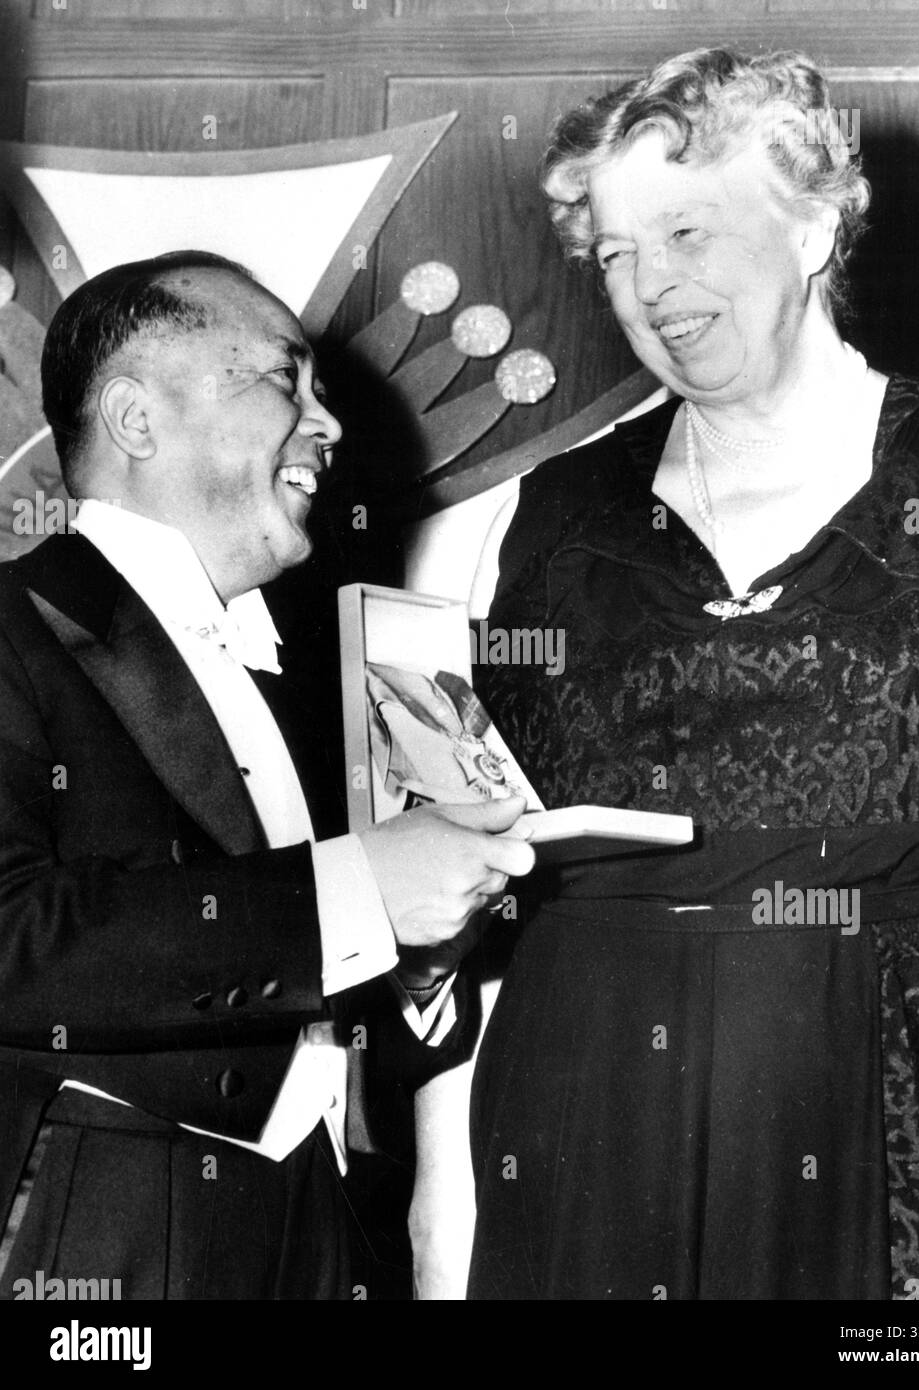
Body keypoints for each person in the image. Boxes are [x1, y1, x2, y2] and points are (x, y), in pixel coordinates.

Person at [464, 48, 919, 1300]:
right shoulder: (552, 514)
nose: (651, 285)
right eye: (613, 253)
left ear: (817, 220)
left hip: (898, 1099)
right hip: (581, 1096)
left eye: (687, 230)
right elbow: (481, 863)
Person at [0, 250, 534, 1300]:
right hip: (98, 1234)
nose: (326, 424)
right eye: (282, 381)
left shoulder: (326, 674)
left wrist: (425, 960)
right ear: (136, 418)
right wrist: (363, 889)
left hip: (326, 1231)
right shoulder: (7, 630)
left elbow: (319, 969)